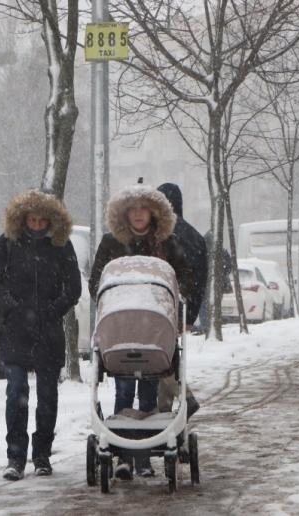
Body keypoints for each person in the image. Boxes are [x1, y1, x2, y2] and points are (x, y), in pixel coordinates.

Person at [89, 184, 194, 479]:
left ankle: (144, 456)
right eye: (132, 210)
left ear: (153, 212)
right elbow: (97, 279)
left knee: (148, 390)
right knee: (124, 390)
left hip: (155, 328)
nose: (138, 215)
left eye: (143, 209)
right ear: (124, 214)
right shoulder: (111, 243)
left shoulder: (167, 243)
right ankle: (124, 455)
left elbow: (184, 278)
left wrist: (176, 297)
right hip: (121, 327)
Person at [0, 189, 81, 481]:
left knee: (47, 395)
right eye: (32, 219)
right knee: (16, 392)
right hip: (15, 331)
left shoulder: (61, 246)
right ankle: (15, 457)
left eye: (43, 220)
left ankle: (42, 455)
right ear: (22, 218)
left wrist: (53, 310)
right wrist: (13, 308)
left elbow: (73, 287)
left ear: (52, 220)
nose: (37, 224)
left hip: (48, 332)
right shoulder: (8, 244)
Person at [155, 183, 204, 417]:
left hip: (162, 304)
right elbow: (199, 281)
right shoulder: (195, 236)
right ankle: (163, 408)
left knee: (161, 356)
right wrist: (191, 314)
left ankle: (185, 397)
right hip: (182, 305)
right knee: (169, 354)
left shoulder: (163, 235)